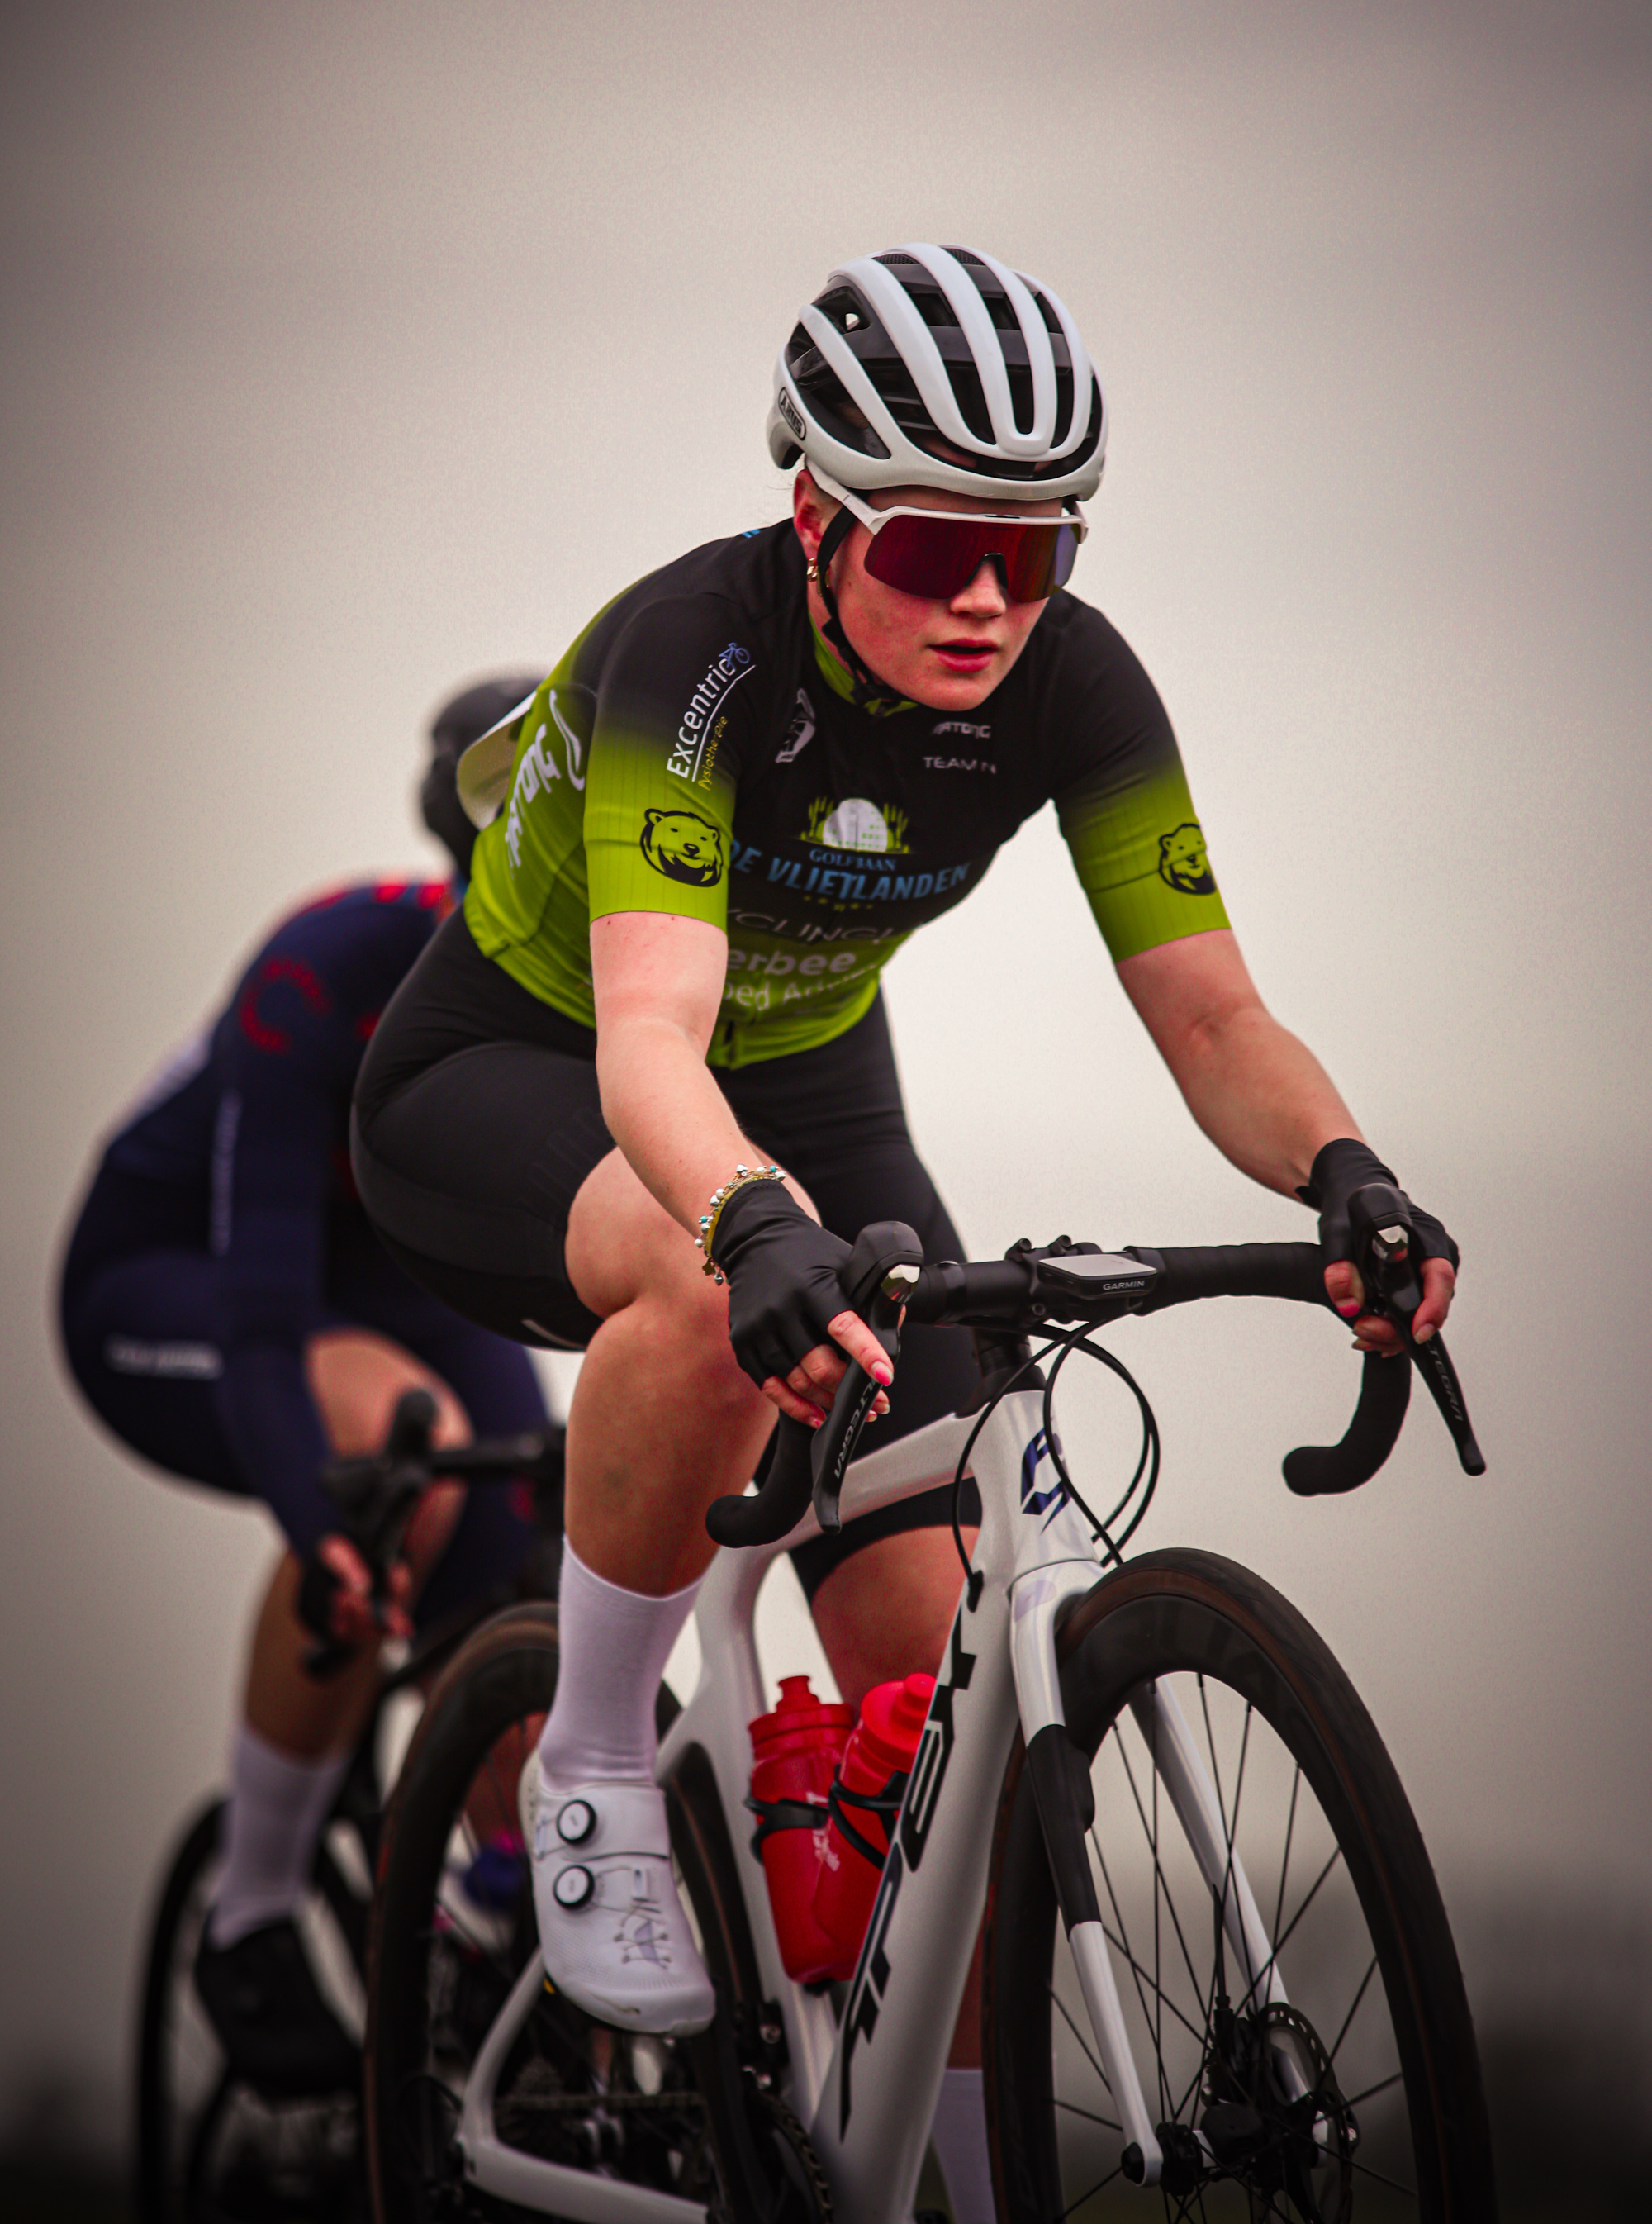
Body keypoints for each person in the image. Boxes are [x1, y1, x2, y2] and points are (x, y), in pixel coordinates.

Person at [350, 245, 1457, 2222]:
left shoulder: (1077, 682)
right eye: (938, 545)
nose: (983, 603)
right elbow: (653, 1041)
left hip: (814, 1085)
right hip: (519, 1071)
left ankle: (934, 2173)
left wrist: (1344, 1179)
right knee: (709, 1290)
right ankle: (592, 1761)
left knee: (923, 1712)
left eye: (1032, 558)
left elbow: (1210, 1013)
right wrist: (750, 1219)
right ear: (816, 515)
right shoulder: (689, 658)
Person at [57, 676, 550, 2098]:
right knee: (397, 1446)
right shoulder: (326, 967)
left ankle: (490, 1921)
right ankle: (254, 1906)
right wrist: (325, 1523)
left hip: (392, 1296)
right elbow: (272, 1320)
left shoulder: (613, 989)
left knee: (521, 1535)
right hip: (184, 1283)